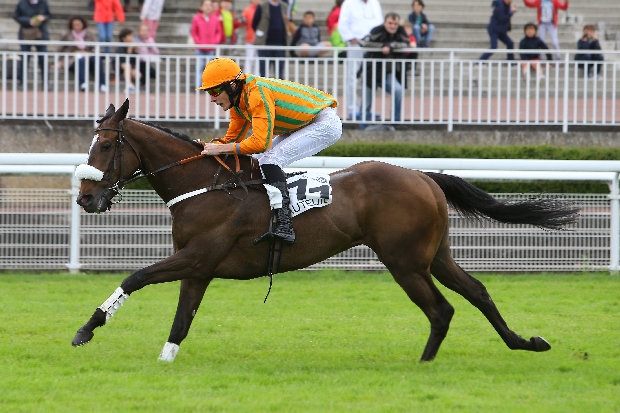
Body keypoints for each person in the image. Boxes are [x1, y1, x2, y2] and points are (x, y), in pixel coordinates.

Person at [197, 57, 342, 244]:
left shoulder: (256, 93)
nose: (212, 98)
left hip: (324, 123)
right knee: (257, 160)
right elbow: (232, 141)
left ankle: (285, 224)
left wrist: (222, 147)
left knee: (270, 160)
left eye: (215, 90)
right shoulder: (238, 102)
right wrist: (204, 147)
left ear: (232, 85)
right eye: (209, 92)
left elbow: (260, 143)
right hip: (303, 125)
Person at [359, 12, 410, 123]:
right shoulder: (377, 30)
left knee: (398, 91)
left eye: (395, 24)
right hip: (371, 71)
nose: (392, 26)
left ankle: (395, 121)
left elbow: (406, 43)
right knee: (366, 101)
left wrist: (391, 46)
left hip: (388, 72)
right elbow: (363, 42)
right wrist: (382, 46)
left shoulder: (400, 31)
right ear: (384, 23)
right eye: (390, 23)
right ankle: (363, 126)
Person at [337, 0, 383, 119]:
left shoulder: (374, 3)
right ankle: (353, 109)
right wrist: (351, 38)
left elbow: (380, 23)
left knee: (370, 79)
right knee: (353, 77)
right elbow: (343, 24)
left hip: (372, 45)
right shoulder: (349, 3)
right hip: (356, 44)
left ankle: (367, 109)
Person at [55, 16, 107, 92]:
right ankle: (83, 83)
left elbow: (96, 47)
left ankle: (102, 84)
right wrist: (59, 61)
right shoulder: (67, 34)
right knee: (80, 60)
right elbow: (60, 48)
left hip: (88, 56)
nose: (76, 26)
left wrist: (89, 54)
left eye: (78, 24)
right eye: (74, 24)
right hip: (73, 58)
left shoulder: (89, 33)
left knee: (97, 59)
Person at [13, 0, 52, 90]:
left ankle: (46, 84)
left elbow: (49, 15)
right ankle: (22, 84)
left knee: (43, 59)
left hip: (41, 34)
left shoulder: (43, 2)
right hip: (26, 33)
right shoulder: (22, 3)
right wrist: (29, 21)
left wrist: (43, 18)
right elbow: (16, 16)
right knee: (24, 58)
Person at [252, 0, 289, 78]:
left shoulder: (284, 6)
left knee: (279, 73)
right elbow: (254, 23)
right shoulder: (262, 6)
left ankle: (278, 90)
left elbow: (286, 22)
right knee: (264, 71)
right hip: (265, 44)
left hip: (280, 44)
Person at [191, 0, 223, 88]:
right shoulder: (196, 18)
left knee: (210, 69)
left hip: (211, 48)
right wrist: (198, 42)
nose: (208, 7)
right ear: (201, 7)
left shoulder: (215, 18)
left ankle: (209, 86)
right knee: (199, 67)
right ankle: (198, 86)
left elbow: (219, 32)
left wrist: (215, 42)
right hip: (200, 48)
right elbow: (194, 32)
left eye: (210, 5)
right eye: (206, 5)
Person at [134, 22, 159, 89]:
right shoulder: (135, 40)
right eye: (142, 30)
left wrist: (150, 45)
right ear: (139, 31)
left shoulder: (150, 40)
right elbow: (133, 52)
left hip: (147, 61)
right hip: (137, 61)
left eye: (146, 30)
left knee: (153, 73)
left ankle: (144, 84)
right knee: (145, 67)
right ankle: (144, 84)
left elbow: (157, 52)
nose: (144, 32)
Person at [116, 27, 139, 92]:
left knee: (138, 74)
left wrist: (136, 50)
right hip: (120, 66)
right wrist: (129, 50)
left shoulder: (133, 46)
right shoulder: (120, 47)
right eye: (130, 36)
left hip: (130, 67)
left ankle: (136, 86)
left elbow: (135, 60)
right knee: (127, 65)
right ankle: (129, 85)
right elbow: (123, 60)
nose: (132, 37)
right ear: (124, 38)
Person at [241, 0, 261, 74]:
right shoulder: (248, 10)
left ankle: (258, 78)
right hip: (250, 38)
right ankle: (247, 77)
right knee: (249, 59)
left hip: (260, 39)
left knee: (258, 60)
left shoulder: (262, 9)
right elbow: (242, 21)